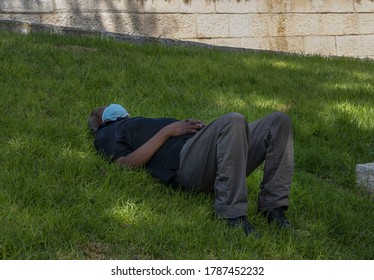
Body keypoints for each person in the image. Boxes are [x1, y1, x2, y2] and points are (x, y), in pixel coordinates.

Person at [88, 104, 294, 236]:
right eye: (104, 108)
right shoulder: (107, 132)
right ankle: (232, 215)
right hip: (185, 164)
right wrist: (168, 131)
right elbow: (125, 163)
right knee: (233, 119)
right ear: (101, 120)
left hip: (211, 154)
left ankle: (272, 208)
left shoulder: (139, 120)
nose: (111, 106)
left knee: (278, 121)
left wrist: (205, 132)